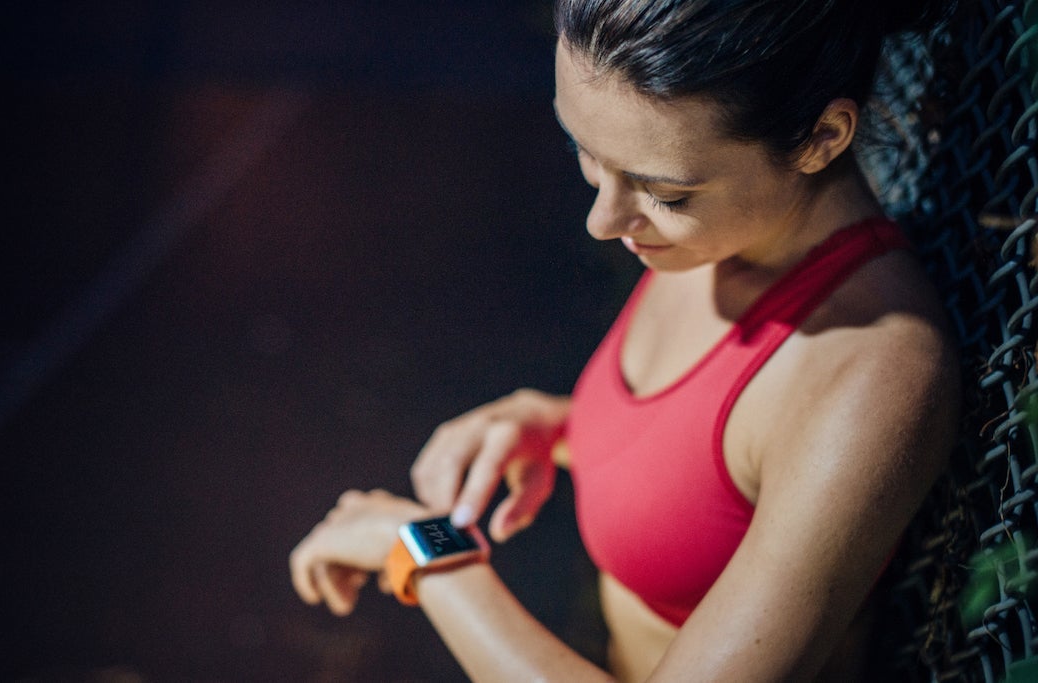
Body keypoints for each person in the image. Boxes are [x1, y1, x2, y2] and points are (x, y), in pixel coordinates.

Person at [289, 0, 961, 680]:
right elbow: (715, 462)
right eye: (585, 150)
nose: (602, 220)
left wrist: (426, 557)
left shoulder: (868, 373)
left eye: (663, 192)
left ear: (821, 136)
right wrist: (560, 425)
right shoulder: (716, 235)